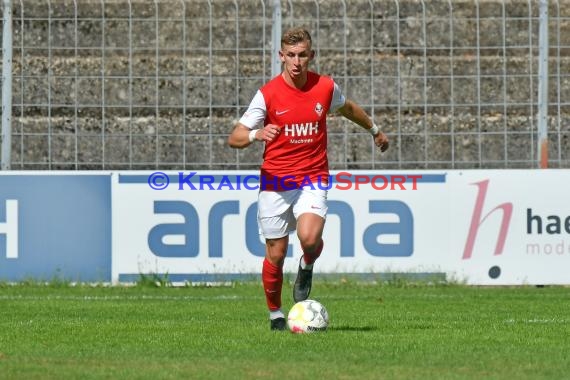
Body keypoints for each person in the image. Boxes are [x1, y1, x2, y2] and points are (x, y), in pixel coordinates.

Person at [228, 27, 389, 331]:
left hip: (313, 178)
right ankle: (275, 313)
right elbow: (234, 137)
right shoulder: (268, 94)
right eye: (290, 55)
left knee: (310, 239)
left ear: (311, 56)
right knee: (275, 252)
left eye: (302, 55)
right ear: (281, 56)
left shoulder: (325, 87)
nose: (297, 61)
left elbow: (348, 108)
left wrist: (374, 130)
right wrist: (256, 133)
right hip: (275, 182)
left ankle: (307, 264)